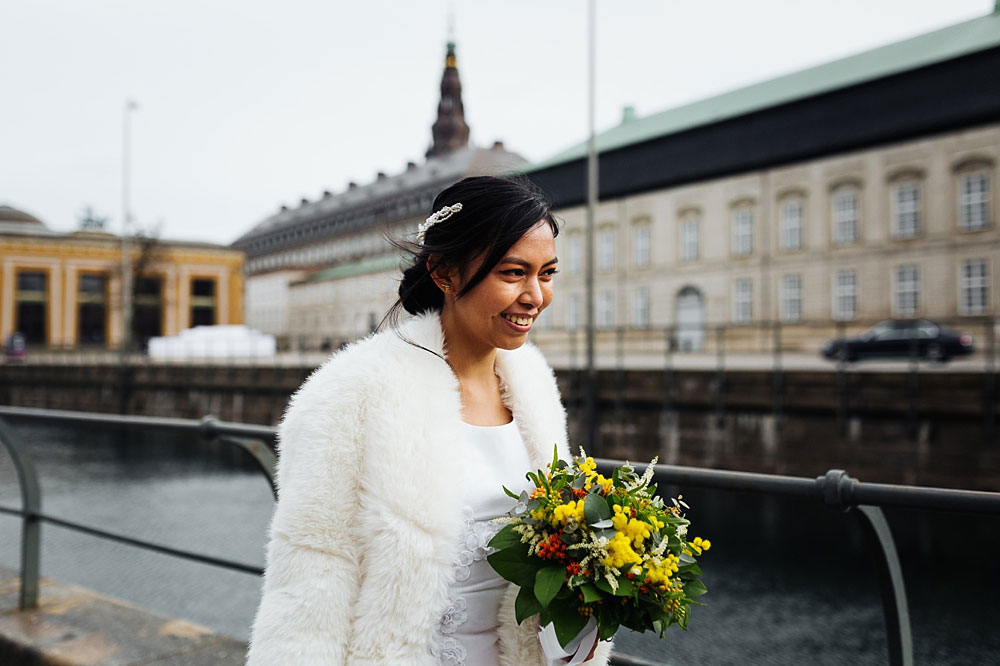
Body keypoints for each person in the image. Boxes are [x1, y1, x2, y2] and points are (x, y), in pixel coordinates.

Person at [246, 176, 611, 666]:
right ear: (444, 272)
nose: (535, 296)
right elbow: (312, 578)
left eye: (546, 274)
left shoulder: (534, 385)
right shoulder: (353, 392)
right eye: (512, 272)